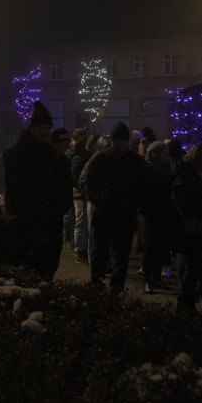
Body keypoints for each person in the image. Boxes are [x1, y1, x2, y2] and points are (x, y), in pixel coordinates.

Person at [2, 101, 72, 280]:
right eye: (42, 127)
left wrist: (60, 207)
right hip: (28, 223)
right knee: (29, 269)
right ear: (32, 127)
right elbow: (16, 191)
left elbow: (59, 184)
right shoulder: (18, 152)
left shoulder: (48, 152)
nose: (46, 132)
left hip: (50, 221)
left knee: (47, 267)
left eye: (49, 128)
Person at [79, 121, 147, 294]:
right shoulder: (101, 159)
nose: (119, 144)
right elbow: (87, 183)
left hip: (124, 214)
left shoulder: (134, 161)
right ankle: (97, 282)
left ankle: (115, 287)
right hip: (104, 212)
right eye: (117, 140)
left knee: (121, 254)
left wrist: (135, 203)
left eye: (122, 141)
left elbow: (144, 186)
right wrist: (97, 198)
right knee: (100, 251)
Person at [172, 144, 202, 315]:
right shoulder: (187, 179)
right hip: (191, 230)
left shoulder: (194, 176)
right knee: (193, 268)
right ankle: (185, 304)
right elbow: (187, 207)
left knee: (194, 267)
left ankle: (186, 304)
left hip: (195, 228)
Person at [140, 141, 173, 293]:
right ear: (154, 154)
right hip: (151, 212)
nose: (166, 155)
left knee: (161, 247)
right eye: (162, 152)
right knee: (150, 247)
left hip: (164, 212)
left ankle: (156, 277)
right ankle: (148, 278)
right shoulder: (148, 168)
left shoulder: (166, 167)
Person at [69, 128, 92, 264]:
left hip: (81, 192)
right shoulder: (79, 156)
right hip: (79, 193)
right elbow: (74, 176)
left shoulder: (78, 155)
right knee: (80, 221)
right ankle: (79, 250)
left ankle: (79, 247)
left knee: (80, 221)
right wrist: (82, 188)